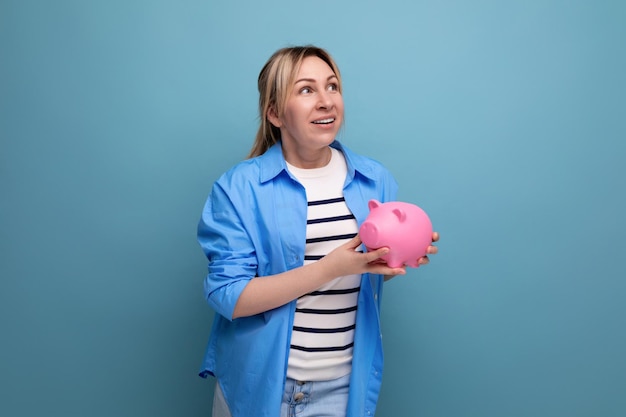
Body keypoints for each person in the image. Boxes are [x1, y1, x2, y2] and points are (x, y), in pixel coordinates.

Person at [197, 45, 439, 417]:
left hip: (343, 389)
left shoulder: (375, 181)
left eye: (332, 87)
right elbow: (229, 296)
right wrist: (330, 268)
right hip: (260, 386)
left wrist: (397, 256)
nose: (326, 101)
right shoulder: (238, 188)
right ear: (275, 113)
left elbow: (364, 273)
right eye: (306, 90)